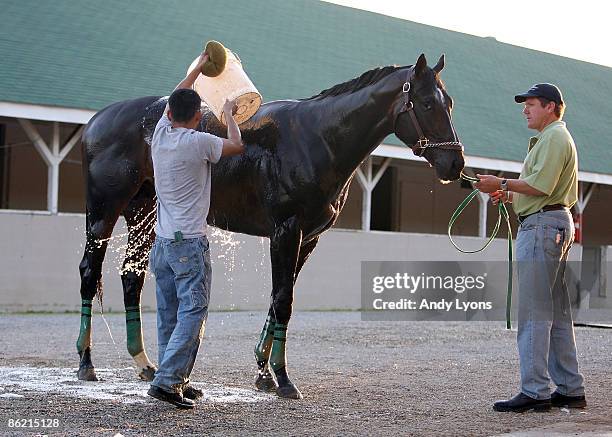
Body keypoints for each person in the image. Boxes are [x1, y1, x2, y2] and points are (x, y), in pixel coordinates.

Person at [474, 83, 586, 413]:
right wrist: (507, 194)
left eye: (532, 104)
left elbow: (541, 186)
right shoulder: (552, 138)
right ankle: (569, 389)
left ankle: (535, 390)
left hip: (541, 228)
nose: (525, 109)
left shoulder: (553, 137)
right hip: (551, 224)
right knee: (556, 313)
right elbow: (540, 190)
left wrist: (502, 183)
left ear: (551, 107)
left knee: (535, 312)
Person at [147, 51, 245, 409]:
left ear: (169, 113)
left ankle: (175, 377)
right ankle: (168, 380)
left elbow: (179, 92)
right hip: (189, 243)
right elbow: (237, 145)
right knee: (193, 311)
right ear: (200, 116)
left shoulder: (160, 134)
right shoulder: (199, 142)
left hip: (161, 243)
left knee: (169, 314)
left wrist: (195, 70)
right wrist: (230, 115)